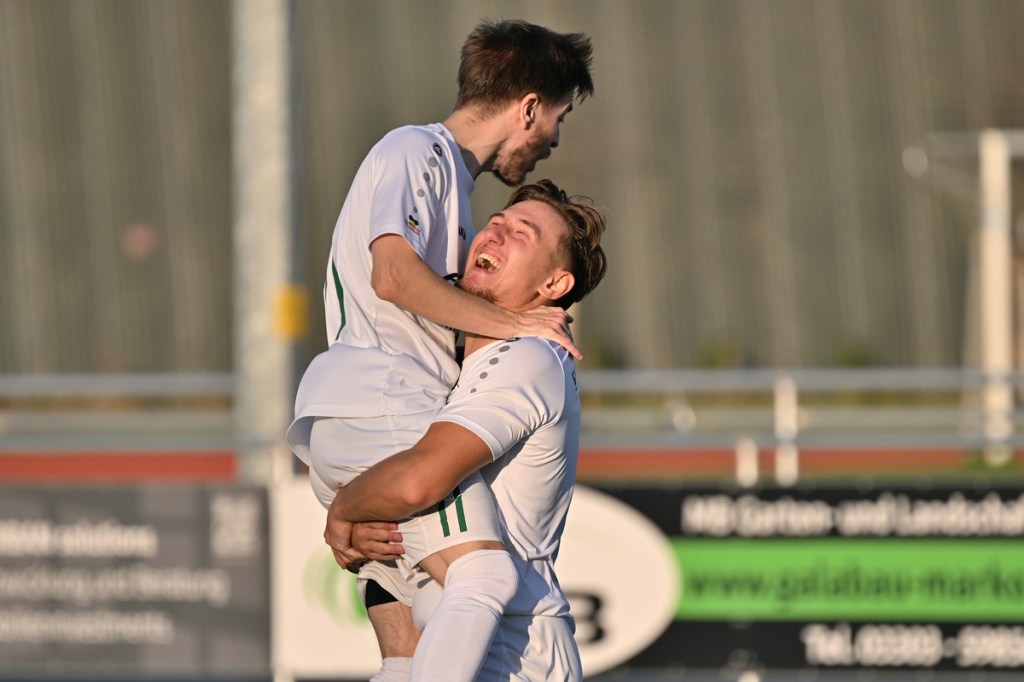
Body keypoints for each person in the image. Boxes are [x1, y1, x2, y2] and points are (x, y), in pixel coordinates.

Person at [285, 20, 595, 682]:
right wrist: (520, 323)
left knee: (405, 638)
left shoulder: (455, 192)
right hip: (385, 399)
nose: (554, 140)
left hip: (372, 410)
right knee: (483, 575)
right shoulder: (417, 150)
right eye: (558, 117)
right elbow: (393, 277)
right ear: (529, 108)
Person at [325, 179, 608, 681]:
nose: (495, 232)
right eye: (496, 222)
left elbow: (419, 481)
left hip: (515, 656)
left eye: (521, 233)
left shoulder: (526, 357)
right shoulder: (455, 365)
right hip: (465, 645)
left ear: (553, 286)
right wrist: (372, 518)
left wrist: (345, 507)